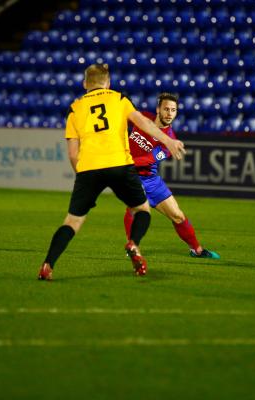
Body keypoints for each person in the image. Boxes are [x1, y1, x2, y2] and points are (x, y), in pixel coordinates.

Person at [38, 64, 186, 281]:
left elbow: (72, 153)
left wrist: (82, 176)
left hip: (89, 169)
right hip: (120, 165)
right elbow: (143, 122)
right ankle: (134, 244)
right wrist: (168, 140)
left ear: (84, 84)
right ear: (107, 83)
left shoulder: (75, 108)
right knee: (142, 209)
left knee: (72, 222)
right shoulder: (119, 99)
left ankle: (47, 265)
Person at [123, 92, 220, 259]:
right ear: (158, 109)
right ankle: (133, 248)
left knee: (178, 215)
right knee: (135, 209)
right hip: (132, 177)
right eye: (166, 109)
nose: (169, 113)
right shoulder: (143, 118)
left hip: (151, 180)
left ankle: (196, 250)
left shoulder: (170, 141)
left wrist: (124, 159)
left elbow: (147, 160)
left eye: (173, 110)